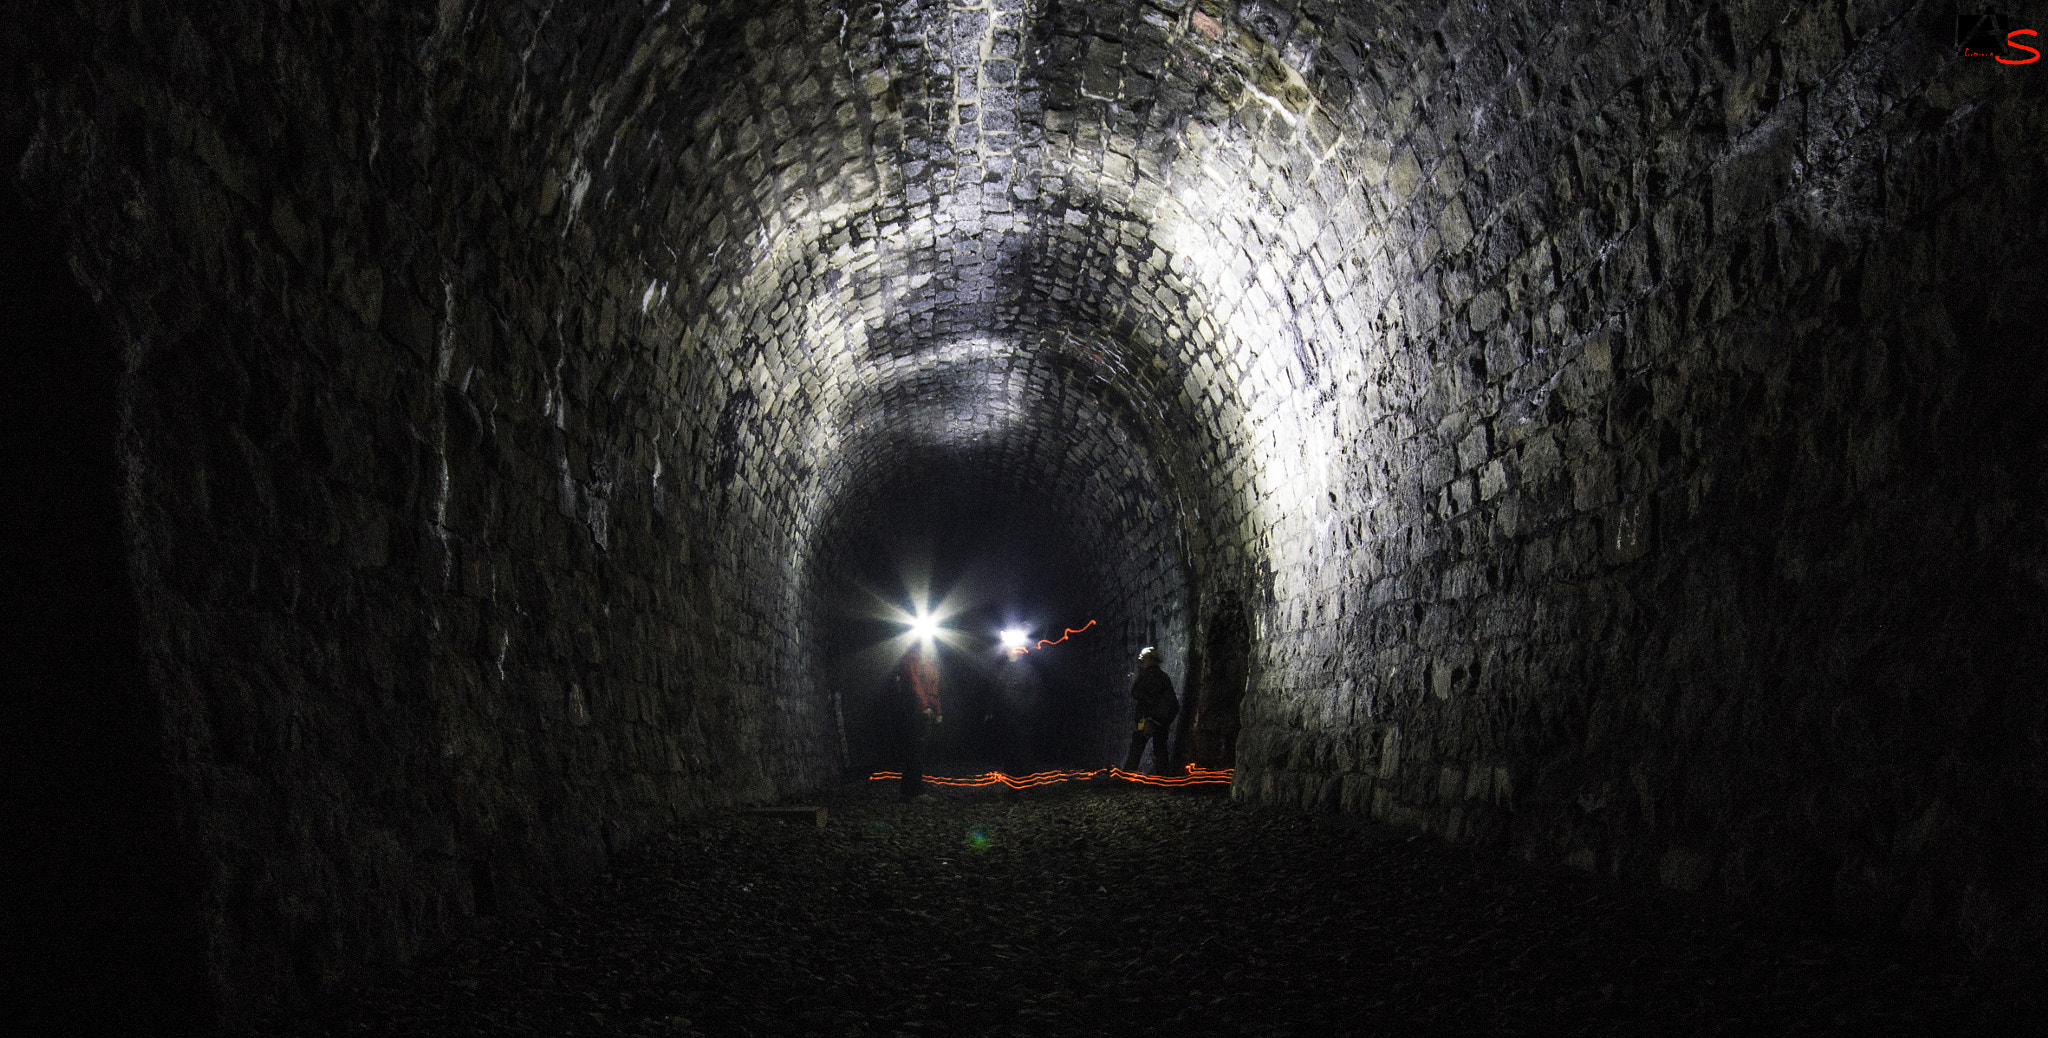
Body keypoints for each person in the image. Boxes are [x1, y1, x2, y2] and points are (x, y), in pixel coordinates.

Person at [892, 645, 942, 797]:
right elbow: (915, 685)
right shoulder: (913, 661)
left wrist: (937, 710)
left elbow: (931, 690)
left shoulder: (926, 663)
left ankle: (910, 790)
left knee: (917, 751)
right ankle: (913, 791)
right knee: (915, 751)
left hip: (922, 711)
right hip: (915, 711)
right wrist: (925, 707)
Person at [1123, 646, 1179, 774]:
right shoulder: (1164, 677)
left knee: (1136, 749)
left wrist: (1134, 682)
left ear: (1150, 660)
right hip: (1160, 720)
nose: (1143, 663)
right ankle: (1163, 779)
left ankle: (1127, 778)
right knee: (1160, 751)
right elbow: (1172, 701)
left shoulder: (1146, 676)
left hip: (1146, 718)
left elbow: (1137, 694)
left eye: (1144, 660)